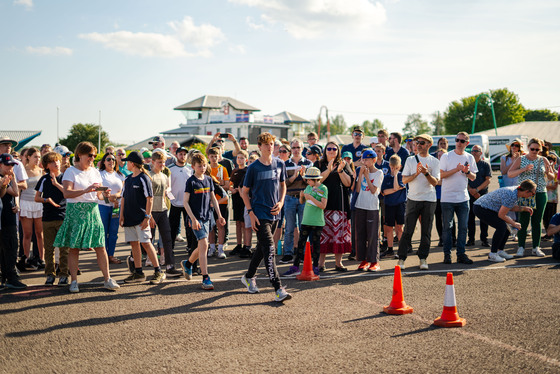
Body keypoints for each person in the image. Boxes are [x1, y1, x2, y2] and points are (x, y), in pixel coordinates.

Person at [53, 142, 120, 293]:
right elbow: (67, 193)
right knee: (74, 247)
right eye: (90, 155)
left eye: (94, 156)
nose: (92, 158)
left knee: (100, 246)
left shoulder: (95, 172)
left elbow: (100, 196)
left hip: (93, 210)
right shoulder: (71, 171)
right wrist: (86, 190)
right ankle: (74, 281)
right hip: (75, 211)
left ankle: (107, 279)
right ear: (80, 155)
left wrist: (107, 195)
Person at [240, 132, 291, 302]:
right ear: (260, 147)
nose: (270, 147)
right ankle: (278, 288)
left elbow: (283, 185)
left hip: (275, 213)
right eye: (266, 144)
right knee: (270, 248)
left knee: (262, 249)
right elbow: (244, 192)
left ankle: (248, 276)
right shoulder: (253, 167)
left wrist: (282, 202)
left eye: (272, 144)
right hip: (259, 214)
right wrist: (251, 213)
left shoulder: (280, 163)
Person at [180, 153, 226, 290]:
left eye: (204, 165)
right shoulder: (191, 182)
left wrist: (219, 215)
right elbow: (185, 203)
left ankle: (188, 264)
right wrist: (193, 219)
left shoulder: (208, 180)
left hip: (207, 217)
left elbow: (213, 199)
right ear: (193, 166)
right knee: (204, 244)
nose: (203, 168)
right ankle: (205, 277)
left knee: (202, 246)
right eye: (200, 166)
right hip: (196, 219)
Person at [120, 151, 165, 285]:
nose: (126, 163)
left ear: (132, 164)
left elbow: (149, 199)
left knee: (146, 243)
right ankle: (138, 273)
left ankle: (158, 271)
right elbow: (123, 199)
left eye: (128, 162)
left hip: (141, 218)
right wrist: (121, 215)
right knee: (134, 243)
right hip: (129, 218)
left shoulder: (144, 178)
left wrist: (147, 216)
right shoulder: (127, 179)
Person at [397, 134, 440, 270]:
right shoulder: (410, 160)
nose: (418, 145)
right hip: (413, 199)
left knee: (426, 231)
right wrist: (416, 173)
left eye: (422, 142)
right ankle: (401, 259)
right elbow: (404, 180)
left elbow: (435, 182)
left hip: (429, 200)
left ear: (429, 145)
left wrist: (426, 173)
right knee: (408, 230)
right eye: (417, 143)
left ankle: (423, 258)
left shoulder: (435, 161)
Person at [507, 138, 555, 257]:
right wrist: (524, 169)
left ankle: (536, 247)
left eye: (537, 149)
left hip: (540, 192)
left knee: (537, 221)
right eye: (532, 149)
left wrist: (549, 172)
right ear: (528, 147)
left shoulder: (543, 159)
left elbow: (551, 177)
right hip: (525, 193)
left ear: (540, 149)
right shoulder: (521, 159)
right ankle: (521, 247)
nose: (534, 151)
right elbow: (510, 173)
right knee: (524, 220)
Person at [474, 180, 537, 262]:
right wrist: (514, 223)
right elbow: (501, 214)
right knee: (501, 227)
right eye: (533, 193)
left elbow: (509, 206)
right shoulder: (512, 194)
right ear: (526, 191)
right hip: (481, 208)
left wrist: (523, 208)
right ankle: (493, 254)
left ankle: (500, 251)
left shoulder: (516, 192)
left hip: (485, 207)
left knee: (506, 228)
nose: (533, 195)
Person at [439, 132, 478, 265]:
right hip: (447, 198)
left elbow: (473, 177)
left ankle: (461, 254)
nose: (459, 143)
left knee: (463, 228)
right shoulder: (446, 156)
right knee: (447, 228)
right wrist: (457, 169)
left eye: (462, 141)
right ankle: (447, 255)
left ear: (467, 143)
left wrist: (466, 172)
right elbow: (441, 175)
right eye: (457, 140)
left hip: (463, 198)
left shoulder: (470, 157)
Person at [282, 167, 327, 276]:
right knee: (300, 244)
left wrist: (310, 197)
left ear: (316, 179)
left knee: (316, 245)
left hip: (317, 222)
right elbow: (302, 202)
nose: (307, 181)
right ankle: (295, 266)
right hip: (306, 221)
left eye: (309, 180)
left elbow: (323, 205)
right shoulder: (307, 187)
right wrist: (302, 197)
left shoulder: (323, 188)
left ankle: (315, 266)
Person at [315, 141, 352, 271]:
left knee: (339, 234)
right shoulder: (318, 164)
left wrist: (340, 170)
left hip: (339, 204)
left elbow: (348, 184)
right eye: (329, 148)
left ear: (338, 151)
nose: (331, 151)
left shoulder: (344, 164)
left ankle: (338, 263)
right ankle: (321, 264)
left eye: (334, 149)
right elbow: (316, 181)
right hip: (322, 205)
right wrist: (328, 169)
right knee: (323, 236)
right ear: (325, 150)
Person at [34, 152, 69, 285]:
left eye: (58, 161)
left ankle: (64, 274)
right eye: (53, 162)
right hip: (47, 218)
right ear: (47, 166)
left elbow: (68, 193)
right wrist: (46, 199)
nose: (57, 163)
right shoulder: (43, 179)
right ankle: (50, 274)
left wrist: (56, 184)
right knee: (49, 248)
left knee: (64, 248)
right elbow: (36, 198)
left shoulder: (65, 177)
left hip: (63, 216)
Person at [148, 150, 181, 277]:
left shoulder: (164, 176)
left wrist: (169, 194)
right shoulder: (149, 176)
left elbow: (167, 190)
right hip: (152, 211)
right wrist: (149, 215)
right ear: (153, 162)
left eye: (163, 162)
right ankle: (136, 263)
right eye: (159, 162)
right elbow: (147, 197)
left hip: (163, 210)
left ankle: (170, 266)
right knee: (148, 240)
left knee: (167, 239)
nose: (162, 164)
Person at [282, 139, 312, 264]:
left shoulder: (309, 163)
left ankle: (303, 253)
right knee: (289, 227)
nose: (296, 150)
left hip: (303, 197)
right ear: (291, 149)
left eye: (298, 147)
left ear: (302, 148)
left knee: (303, 226)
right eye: (293, 147)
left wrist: (304, 175)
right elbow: (283, 183)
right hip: (289, 198)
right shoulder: (285, 163)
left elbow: (311, 183)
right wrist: (294, 176)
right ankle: (288, 253)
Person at [353, 149, 384, 271]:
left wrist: (366, 176)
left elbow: (373, 190)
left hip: (372, 207)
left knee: (372, 235)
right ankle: (363, 260)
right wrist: (360, 175)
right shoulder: (360, 170)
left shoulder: (379, 173)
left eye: (367, 159)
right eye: (363, 159)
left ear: (374, 160)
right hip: (360, 205)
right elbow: (357, 190)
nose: (364, 162)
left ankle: (374, 261)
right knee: (360, 234)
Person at [0, 153, 27, 289]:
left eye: (12, 165)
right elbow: (7, 193)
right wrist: (5, 184)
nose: (10, 167)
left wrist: (14, 177)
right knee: (7, 248)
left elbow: (16, 193)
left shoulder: (8, 177)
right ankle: (8, 277)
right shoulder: (1, 179)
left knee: (10, 247)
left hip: (9, 216)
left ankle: (8, 277)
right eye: (7, 164)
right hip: (3, 218)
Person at [19, 147, 44, 270]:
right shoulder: (22, 170)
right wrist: (17, 206)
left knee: (39, 233)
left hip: (38, 203)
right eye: (35, 156)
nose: (37, 159)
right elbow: (18, 190)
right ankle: (26, 258)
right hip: (25, 203)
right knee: (27, 233)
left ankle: (42, 258)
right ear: (28, 157)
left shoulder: (41, 170)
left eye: (39, 157)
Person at [98, 152, 125, 265]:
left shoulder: (120, 175)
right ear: (104, 162)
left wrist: (115, 198)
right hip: (103, 207)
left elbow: (122, 191)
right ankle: (103, 256)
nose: (111, 161)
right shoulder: (99, 174)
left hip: (115, 208)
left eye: (113, 160)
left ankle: (111, 255)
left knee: (114, 232)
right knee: (103, 232)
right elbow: (99, 193)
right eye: (108, 159)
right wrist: (110, 200)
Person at [381, 155, 406, 260]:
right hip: (389, 205)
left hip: (400, 205)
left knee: (399, 227)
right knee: (389, 228)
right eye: (392, 167)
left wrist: (395, 176)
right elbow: (384, 192)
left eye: (396, 168)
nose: (393, 170)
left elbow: (396, 186)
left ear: (399, 167)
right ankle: (390, 249)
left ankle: (401, 250)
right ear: (389, 166)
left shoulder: (402, 176)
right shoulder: (385, 177)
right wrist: (396, 189)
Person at [168, 147, 193, 251]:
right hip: (174, 204)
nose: (182, 156)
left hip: (187, 203)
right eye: (180, 154)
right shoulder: (170, 169)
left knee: (189, 227)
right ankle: (171, 248)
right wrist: (171, 199)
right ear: (176, 155)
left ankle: (190, 247)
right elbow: (167, 187)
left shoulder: (191, 169)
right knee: (172, 228)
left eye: (184, 154)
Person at [467, 144, 492, 247]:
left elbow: (488, 180)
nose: (473, 153)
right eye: (472, 151)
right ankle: (471, 239)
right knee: (470, 218)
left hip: (482, 194)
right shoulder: (467, 164)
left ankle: (484, 239)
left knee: (484, 218)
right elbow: (463, 179)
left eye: (476, 151)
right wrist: (471, 190)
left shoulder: (485, 165)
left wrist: (477, 190)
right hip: (469, 194)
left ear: (481, 153)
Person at [207, 147, 229, 259]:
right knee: (211, 227)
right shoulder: (206, 169)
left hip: (221, 202)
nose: (214, 158)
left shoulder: (223, 169)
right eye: (212, 156)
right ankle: (211, 248)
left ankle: (220, 248)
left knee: (221, 225)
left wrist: (219, 184)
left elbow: (227, 186)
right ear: (208, 157)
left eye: (216, 156)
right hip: (209, 202)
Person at [229, 150, 252, 257]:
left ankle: (246, 245)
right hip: (235, 199)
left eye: (242, 158)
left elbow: (246, 187)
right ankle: (239, 244)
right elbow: (231, 184)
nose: (240, 160)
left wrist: (239, 190)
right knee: (238, 223)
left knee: (244, 224)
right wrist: (231, 189)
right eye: (238, 158)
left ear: (246, 160)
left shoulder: (248, 171)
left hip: (245, 199)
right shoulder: (234, 171)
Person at [500, 139, 523, 238]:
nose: (514, 147)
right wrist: (514, 162)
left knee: (520, 208)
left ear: (520, 148)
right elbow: (503, 171)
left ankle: (520, 230)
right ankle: (512, 231)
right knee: (509, 209)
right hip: (508, 187)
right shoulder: (504, 158)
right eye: (512, 145)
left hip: (520, 186)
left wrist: (519, 160)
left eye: (516, 145)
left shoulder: (523, 158)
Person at [542, 155, 558, 241]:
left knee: (551, 217)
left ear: (554, 162)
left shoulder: (555, 173)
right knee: (544, 218)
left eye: (551, 162)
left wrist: (544, 186)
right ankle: (548, 233)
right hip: (545, 198)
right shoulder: (544, 173)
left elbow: (554, 186)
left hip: (552, 199)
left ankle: (551, 234)